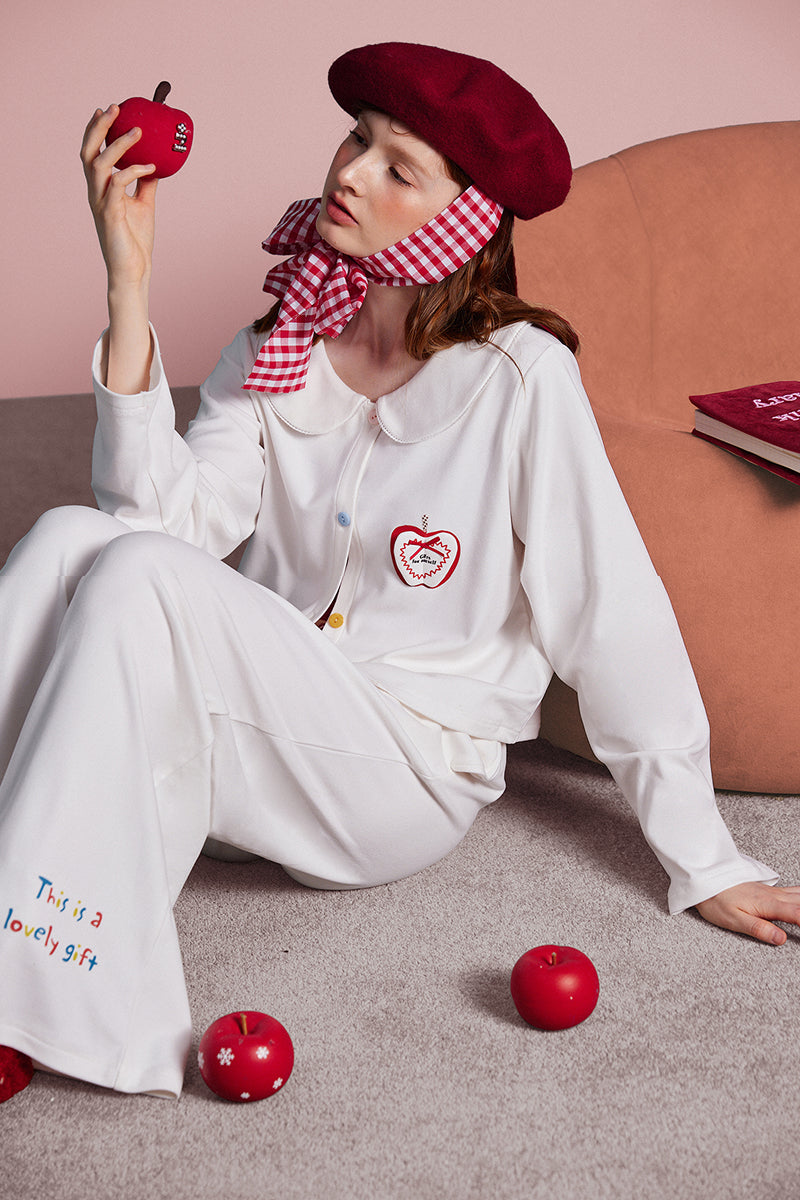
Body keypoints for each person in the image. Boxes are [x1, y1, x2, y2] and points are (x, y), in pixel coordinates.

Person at [1, 41, 798, 1104]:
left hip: (404, 772)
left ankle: (55, 1000)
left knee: (136, 571)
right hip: (262, 736)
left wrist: (704, 856)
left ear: (460, 217)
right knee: (70, 538)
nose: (351, 172)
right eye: (356, 139)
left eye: (397, 168)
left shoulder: (520, 379)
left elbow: (609, 614)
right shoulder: (279, 342)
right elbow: (157, 524)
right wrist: (128, 284)